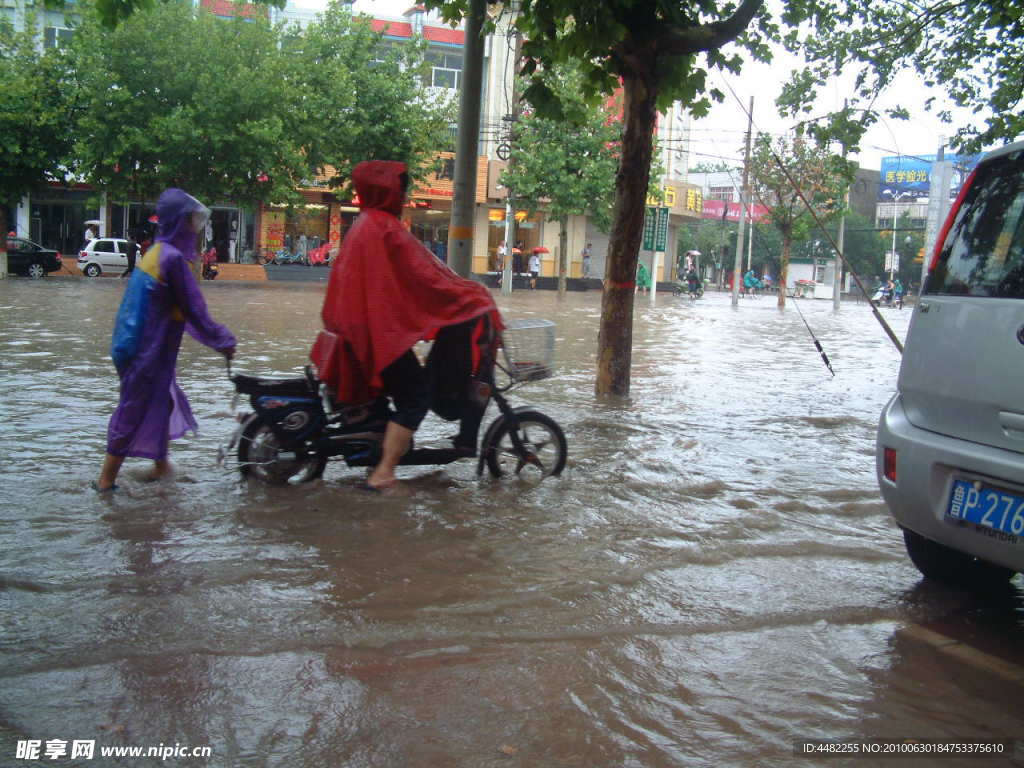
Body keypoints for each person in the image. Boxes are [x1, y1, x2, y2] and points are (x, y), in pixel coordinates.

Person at [310, 160, 498, 492]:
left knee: (409, 389)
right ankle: (383, 472)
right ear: (388, 190)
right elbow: (428, 278)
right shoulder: (385, 228)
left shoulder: (363, 225)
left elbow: (415, 279)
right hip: (377, 336)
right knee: (416, 397)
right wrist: (473, 296)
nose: (403, 193)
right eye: (401, 187)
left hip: (359, 333)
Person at [94, 189, 236, 493]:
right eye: (190, 222)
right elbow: (194, 310)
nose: (194, 231)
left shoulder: (156, 252)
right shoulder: (171, 259)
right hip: (146, 350)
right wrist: (224, 341)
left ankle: (161, 467)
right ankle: (105, 482)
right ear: (179, 223)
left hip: (138, 347)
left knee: (162, 400)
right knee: (133, 409)